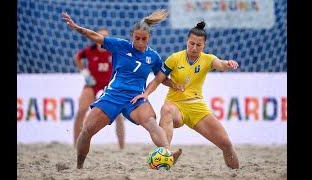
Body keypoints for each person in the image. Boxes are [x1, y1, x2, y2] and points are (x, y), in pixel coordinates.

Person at [62, 9, 182, 169]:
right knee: (87, 130)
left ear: (149, 38)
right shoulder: (120, 46)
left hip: (136, 99)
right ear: (132, 36)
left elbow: (161, 78)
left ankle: (168, 153)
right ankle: (79, 166)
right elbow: (96, 36)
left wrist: (174, 84)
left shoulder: (153, 57)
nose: (140, 42)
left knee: (151, 122)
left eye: (144, 39)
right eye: (137, 38)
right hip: (113, 95)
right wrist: (77, 28)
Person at [131, 21, 240, 169]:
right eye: (191, 43)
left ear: (204, 45)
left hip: (197, 108)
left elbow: (220, 64)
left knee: (226, 144)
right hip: (176, 106)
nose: (194, 48)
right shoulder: (175, 58)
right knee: (166, 109)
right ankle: (167, 154)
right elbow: (158, 80)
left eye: (198, 45)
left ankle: (236, 172)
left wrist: (228, 63)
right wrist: (146, 94)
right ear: (186, 41)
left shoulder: (208, 59)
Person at [72, 28, 125, 149]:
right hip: (92, 84)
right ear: (95, 37)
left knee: (118, 115)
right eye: (100, 35)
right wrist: (85, 74)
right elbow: (77, 58)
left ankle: (122, 147)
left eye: (105, 36)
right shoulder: (89, 50)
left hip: (109, 85)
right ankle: (76, 145)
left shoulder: (113, 51)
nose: (102, 38)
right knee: (81, 111)